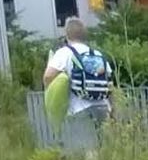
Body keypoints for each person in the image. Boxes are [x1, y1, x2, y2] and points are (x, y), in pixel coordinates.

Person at [42, 19, 115, 150]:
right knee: (105, 147)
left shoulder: (65, 53)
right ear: (84, 35)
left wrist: (54, 94)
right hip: (103, 106)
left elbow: (48, 76)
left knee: (87, 150)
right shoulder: (97, 54)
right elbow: (110, 84)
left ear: (67, 35)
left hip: (79, 108)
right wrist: (113, 109)